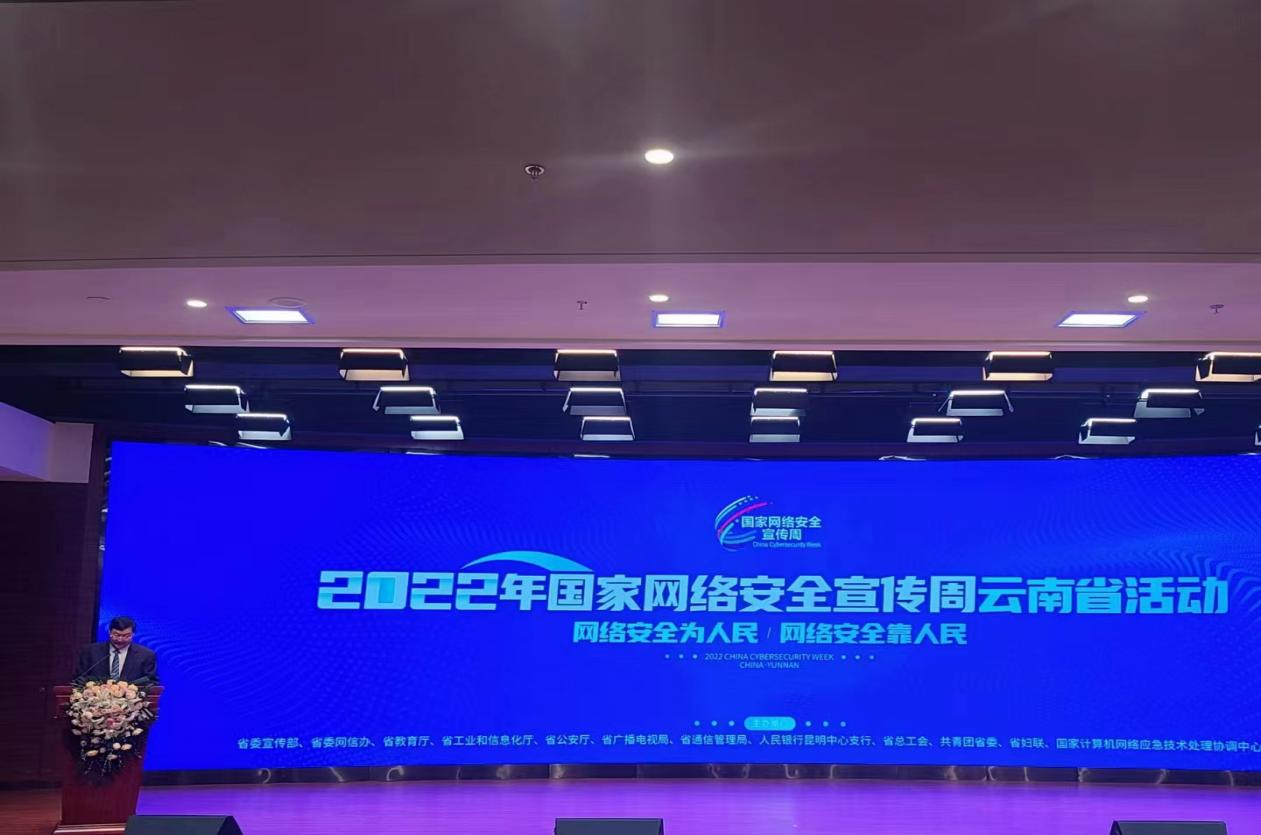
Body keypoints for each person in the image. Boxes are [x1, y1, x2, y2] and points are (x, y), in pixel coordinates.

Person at [73, 616, 159, 685]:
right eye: (116, 634)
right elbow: (79, 679)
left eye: (126, 636)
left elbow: (151, 682)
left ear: (133, 634)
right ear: (109, 632)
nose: (120, 639)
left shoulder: (146, 655)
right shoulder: (90, 652)